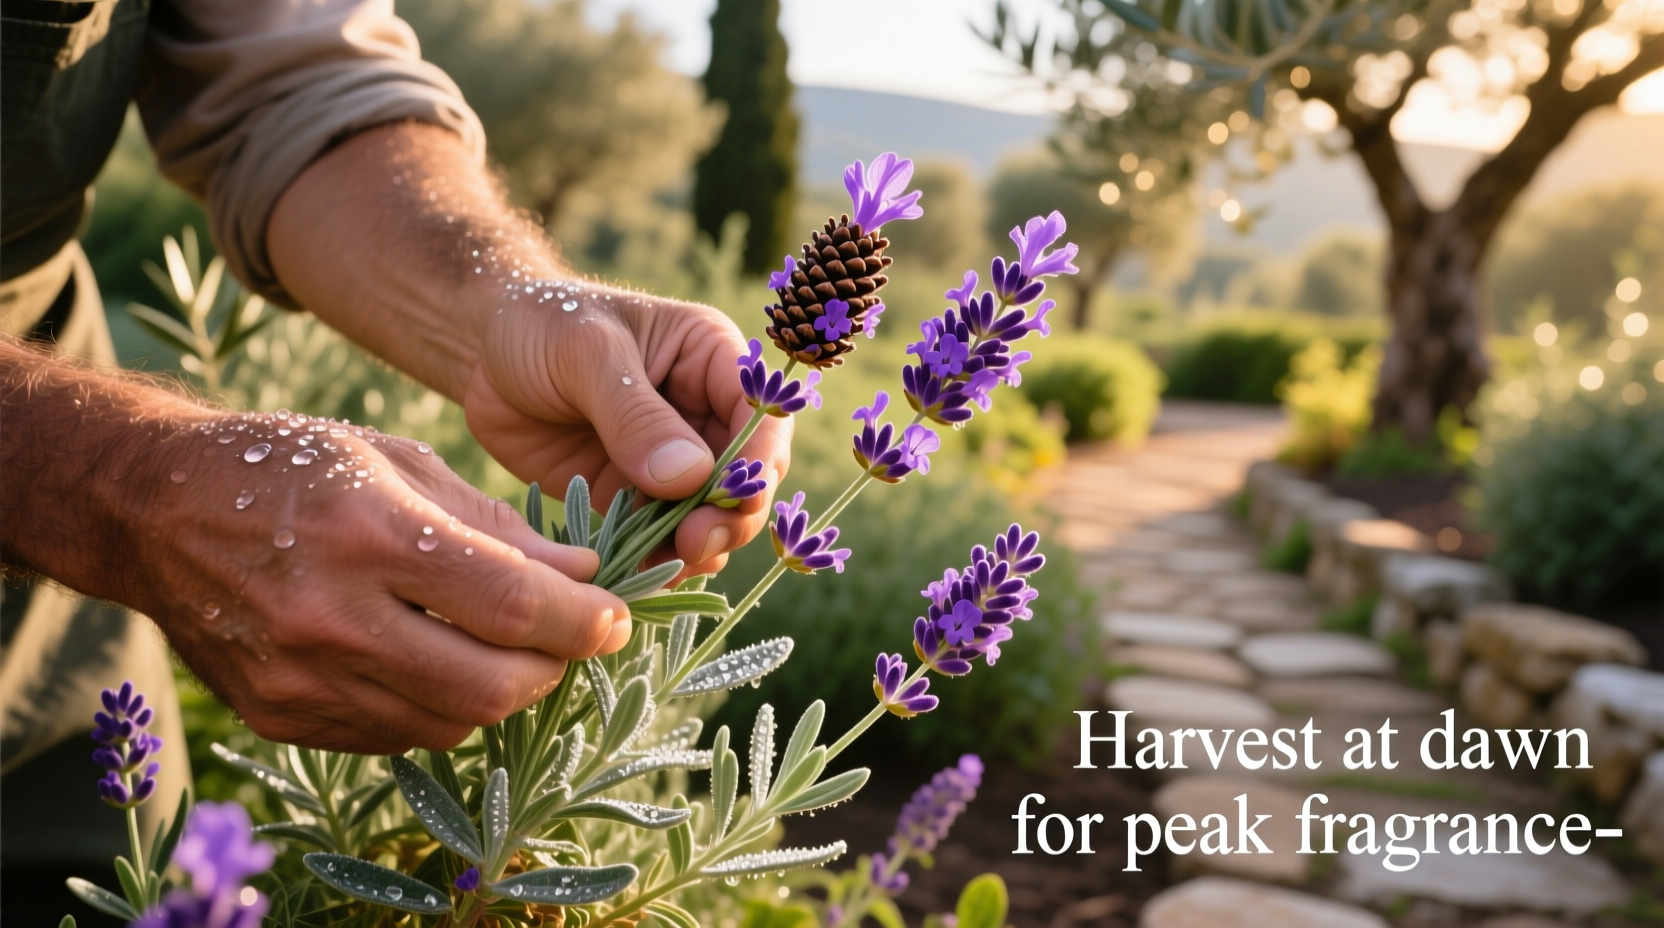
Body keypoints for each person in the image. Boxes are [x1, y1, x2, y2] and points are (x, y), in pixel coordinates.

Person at [0, 0, 790, 913]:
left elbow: (293, 79)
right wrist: (112, 483)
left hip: (53, 620)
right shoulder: (109, 485)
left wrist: (502, 302)